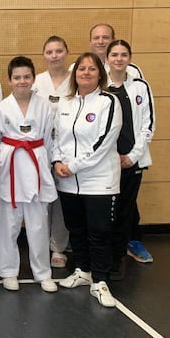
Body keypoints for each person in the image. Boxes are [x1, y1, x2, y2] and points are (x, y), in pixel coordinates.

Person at [53, 53, 122, 308]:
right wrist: (57, 162)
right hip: (68, 180)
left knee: (99, 231)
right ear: (75, 74)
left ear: (100, 74)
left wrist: (73, 166)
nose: (85, 73)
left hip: (99, 181)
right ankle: (82, 270)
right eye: (81, 69)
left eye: (91, 69)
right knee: (76, 228)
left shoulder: (108, 102)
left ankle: (100, 281)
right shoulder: (66, 102)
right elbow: (56, 137)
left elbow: (104, 142)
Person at [0, 56, 58, 293]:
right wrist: (8, 154)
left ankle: (43, 273)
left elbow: (48, 138)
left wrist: (45, 160)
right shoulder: (2, 107)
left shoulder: (44, 105)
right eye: (17, 77)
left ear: (33, 78)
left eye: (26, 77)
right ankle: (8, 271)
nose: (22, 81)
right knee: (7, 224)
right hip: (10, 166)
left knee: (38, 225)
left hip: (36, 162)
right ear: (9, 80)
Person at [105, 40, 155, 274]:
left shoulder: (140, 86)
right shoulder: (99, 85)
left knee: (125, 210)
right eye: (114, 54)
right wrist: (107, 157)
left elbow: (148, 124)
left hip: (131, 162)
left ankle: (117, 259)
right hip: (104, 162)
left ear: (130, 58)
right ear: (107, 59)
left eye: (123, 54)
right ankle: (101, 256)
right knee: (105, 211)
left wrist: (132, 156)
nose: (119, 59)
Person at [32, 36, 71, 269]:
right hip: (40, 148)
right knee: (41, 200)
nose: (54, 55)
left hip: (66, 149)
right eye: (49, 52)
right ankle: (38, 246)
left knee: (62, 200)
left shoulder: (74, 81)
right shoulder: (37, 81)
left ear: (66, 53)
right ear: (44, 55)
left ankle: (58, 247)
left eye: (58, 51)